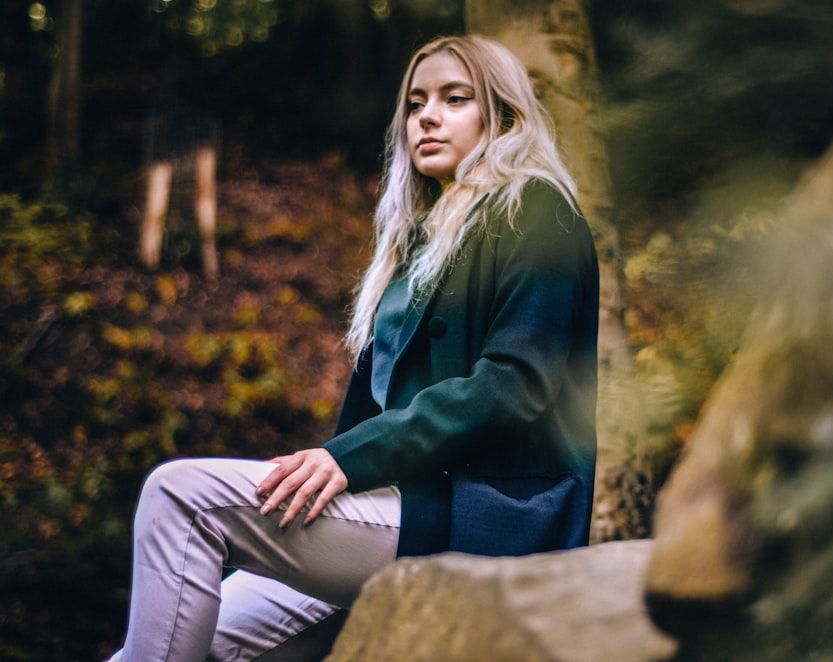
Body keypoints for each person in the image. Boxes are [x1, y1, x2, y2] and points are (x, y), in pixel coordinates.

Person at [107, 34, 598, 661]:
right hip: (395, 506)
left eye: (455, 98)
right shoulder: (419, 244)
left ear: (501, 115)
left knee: (181, 494)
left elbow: (513, 385)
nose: (427, 115)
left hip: (484, 515)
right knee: (175, 633)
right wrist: (335, 471)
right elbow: (377, 405)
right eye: (417, 102)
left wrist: (347, 459)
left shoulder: (535, 210)